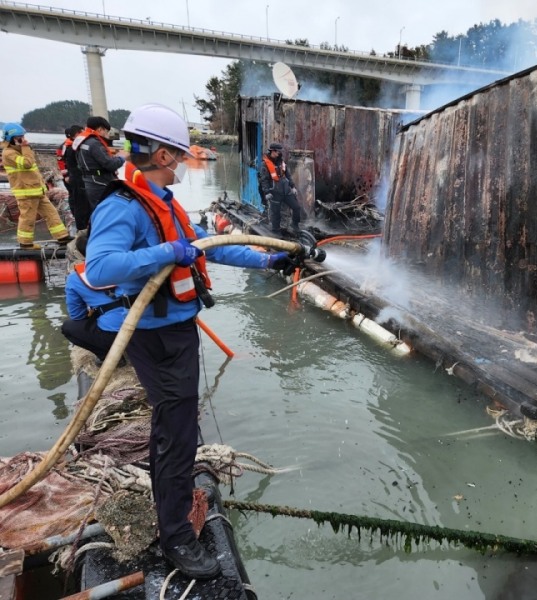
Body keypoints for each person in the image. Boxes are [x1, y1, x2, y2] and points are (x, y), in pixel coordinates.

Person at [85, 103, 296, 579]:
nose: (183, 163)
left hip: (174, 332)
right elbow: (98, 269)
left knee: (175, 426)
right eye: (178, 156)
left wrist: (268, 262)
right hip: (156, 338)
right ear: (160, 154)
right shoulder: (123, 206)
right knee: (177, 434)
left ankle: (172, 510)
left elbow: (208, 246)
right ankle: (177, 537)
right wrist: (166, 251)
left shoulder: (164, 202)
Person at [1, 123, 73, 249]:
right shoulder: (9, 153)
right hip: (26, 192)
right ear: (11, 138)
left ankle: (62, 236)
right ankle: (25, 242)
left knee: (51, 213)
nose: (23, 140)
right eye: (19, 137)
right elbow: (27, 164)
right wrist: (25, 148)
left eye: (22, 137)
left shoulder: (21, 150)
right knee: (28, 217)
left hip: (37, 191)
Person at [60, 231, 126, 366]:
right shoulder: (127, 262)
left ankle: (109, 356)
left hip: (113, 335)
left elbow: (77, 316)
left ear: (80, 252)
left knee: (68, 327)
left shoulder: (75, 278)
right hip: (146, 327)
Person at [74, 115, 128, 214]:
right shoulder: (94, 144)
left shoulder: (83, 141)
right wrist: (121, 157)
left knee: (97, 211)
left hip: (90, 182)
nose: (107, 134)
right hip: (100, 183)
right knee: (106, 212)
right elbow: (110, 164)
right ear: (100, 129)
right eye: (106, 131)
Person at [258, 142, 305, 234]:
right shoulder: (265, 165)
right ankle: (276, 231)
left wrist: (293, 186)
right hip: (274, 192)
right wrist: (267, 192)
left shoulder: (281, 162)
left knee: (296, 207)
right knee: (276, 213)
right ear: (272, 151)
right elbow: (264, 180)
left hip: (286, 190)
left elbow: (288, 175)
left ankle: (295, 224)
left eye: (279, 151)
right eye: (277, 151)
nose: (279, 153)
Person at [62, 125, 90, 231]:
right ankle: (82, 228)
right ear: (77, 134)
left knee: (79, 203)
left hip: (75, 177)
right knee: (81, 205)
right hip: (77, 178)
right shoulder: (73, 148)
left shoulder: (69, 146)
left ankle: (83, 226)